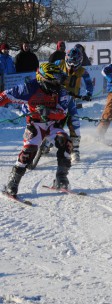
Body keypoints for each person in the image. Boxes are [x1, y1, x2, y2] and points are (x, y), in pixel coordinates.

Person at [0, 63, 75, 197]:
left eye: (58, 82)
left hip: (53, 123)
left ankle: (61, 178)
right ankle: (13, 182)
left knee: (66, 142)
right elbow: (5, 96)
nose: (57, 85)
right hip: (35, 124)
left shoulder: (61, 91)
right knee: (28, 152)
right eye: (54, 82)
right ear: (43, 80)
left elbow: (62, 113)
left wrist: (48, 111)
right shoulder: (29, 88)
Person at [54, 47, 94, 162]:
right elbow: (46, 70)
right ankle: (46, 142)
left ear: (79, 61)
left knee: (74, 121)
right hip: (56, 97)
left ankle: (75, 149)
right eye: (70, 61)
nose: (71, 65)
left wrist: (89, 93)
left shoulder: (82, 70)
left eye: (75, 62)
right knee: (52, 120)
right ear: (66, 59)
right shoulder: (58, 63)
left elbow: (89, 83)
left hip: (71, 99)